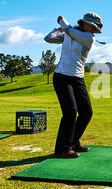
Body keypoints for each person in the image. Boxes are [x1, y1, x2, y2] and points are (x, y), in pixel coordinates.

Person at [44, 12, 103, 158]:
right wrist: (59, 30)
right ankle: (62, 148)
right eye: (93, 27)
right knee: (70, 112)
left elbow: (69, 29)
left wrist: (62, 21)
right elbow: (48, 38)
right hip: (62, 77)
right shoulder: (69, 34)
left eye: (96, 29)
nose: (94, 30)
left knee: (86, 112)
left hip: (78, 78)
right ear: (84, 23)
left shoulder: (89, 38)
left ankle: (74, 141)